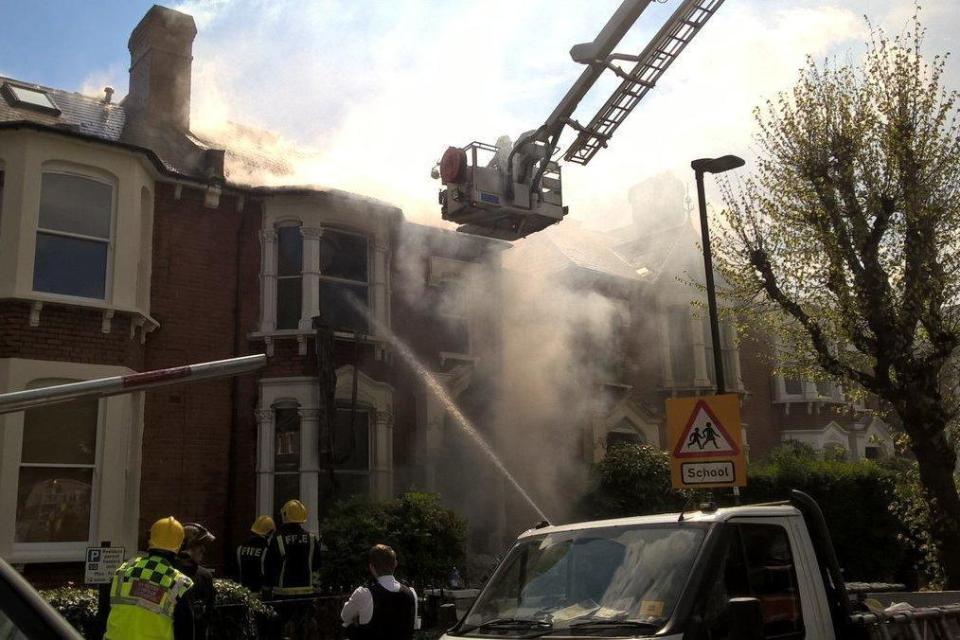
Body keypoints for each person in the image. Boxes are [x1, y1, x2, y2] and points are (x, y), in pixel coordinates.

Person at [104, 516, 195, 640]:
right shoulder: (178, 583)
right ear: (181, 546)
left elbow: (101, 616)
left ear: (150, 540)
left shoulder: (123, 571)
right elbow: (185, 632)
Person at [341, 544, 417, 640]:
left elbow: (345, 616)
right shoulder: (411, 593)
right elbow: (413, 626)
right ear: (395, 564)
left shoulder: (364, 593)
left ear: (372, 567)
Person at [264, 499, 322, 597]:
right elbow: (317, 564)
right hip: (306, 591)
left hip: (283, 592)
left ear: (285, 515)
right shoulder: (312, 539)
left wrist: (267, 588)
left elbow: (269, 566)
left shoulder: (278, 539)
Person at [174, 522, 216, 640]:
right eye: (199, 545)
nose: (203, 550)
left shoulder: (166, 570)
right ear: (188, 546)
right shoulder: (204, 576)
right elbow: (208, 614)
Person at [237, 515, 275, 593]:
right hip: (260, 592)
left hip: (243, 592)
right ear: (269, 532)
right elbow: (268, 573)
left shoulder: (241, 547)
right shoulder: (266, 549)